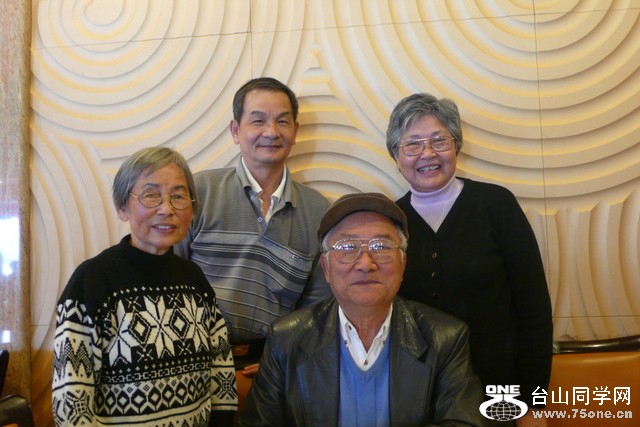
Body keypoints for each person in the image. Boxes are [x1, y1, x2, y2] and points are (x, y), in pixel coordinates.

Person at [238, 192, 484, 427]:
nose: (366, 264)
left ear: (403, 264)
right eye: (347, 247)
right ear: (326, 267)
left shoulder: (445, 337)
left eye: (381, 246)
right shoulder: (286, 339)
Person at [385, 93, 553, 426]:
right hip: (419, 396)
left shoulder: (496, 205)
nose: (428, 154)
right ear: (396, 156)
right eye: (413, 144)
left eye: (439, 141)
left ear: (456, 146)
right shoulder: (390, 221)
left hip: (499, 391)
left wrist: (534, 403)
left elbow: (534, 307)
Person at [52, 147, 238, 427]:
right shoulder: (91, 282)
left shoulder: (194, 279)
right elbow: (71, 408)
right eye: (151, 195)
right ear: (122, 208)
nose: (167, 209)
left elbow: (221, 378)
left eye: (178, 196)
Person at [175, 77, 331, 379]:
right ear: (236, 130)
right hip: (194, 361)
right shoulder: (198, 192)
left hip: (273, 366)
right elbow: (168, 275)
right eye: (258, 121)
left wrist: (283, 357)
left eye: (282, 121)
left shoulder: (317, 210)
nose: (271, 132)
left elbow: (317, 306)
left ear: (295, 131)